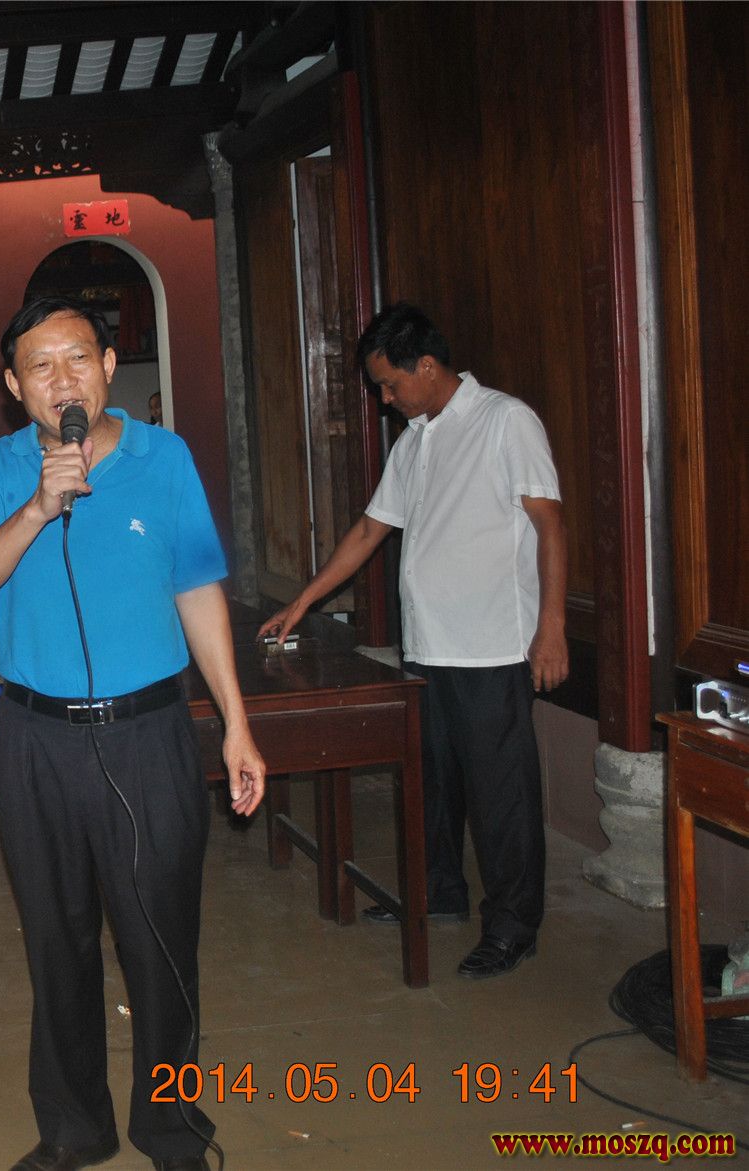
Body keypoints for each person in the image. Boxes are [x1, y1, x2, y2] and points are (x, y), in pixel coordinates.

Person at [0, 296, 264, 1171]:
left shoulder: (165, 459)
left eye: (77, 358)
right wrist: (36, 508)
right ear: (13, 386)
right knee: (56, 942)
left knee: (161, 941)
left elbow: (197, 590)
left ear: (109, 366)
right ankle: (72, 1128)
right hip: (34, 740)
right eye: (39, 366)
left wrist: (235, 724)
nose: (62, 380)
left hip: (148, 733)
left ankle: (171, 1127)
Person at [260, 302, 566, 981]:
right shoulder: (414, 441)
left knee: (501, 798)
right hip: (427, 648)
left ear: (426, 365)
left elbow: (549, 524)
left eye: (389, 384)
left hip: (491, 648)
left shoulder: (505, 420)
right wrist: (302, 603)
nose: (385, 399)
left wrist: (551, 627)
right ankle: (439, 893)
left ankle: (513, 926)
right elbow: (371, 530)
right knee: (432, 786)